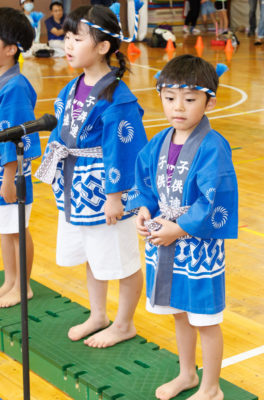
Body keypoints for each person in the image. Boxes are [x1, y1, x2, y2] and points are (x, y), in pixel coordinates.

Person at [35, 5, 147, 348]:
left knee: (121, 259)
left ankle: (124, 323)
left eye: (77, 38)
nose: (68, 44)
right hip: (77, 185)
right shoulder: (72, 87)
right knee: (92, 253)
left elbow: (125, 150)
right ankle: (98, 315)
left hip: (106, 191)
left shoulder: (118, 98)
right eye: (67, 37)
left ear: (102, 46)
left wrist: (115, 196)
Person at [126, 55, 238, 400]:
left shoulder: (212, 145)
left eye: (189, 99)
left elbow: (214, 199)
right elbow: (144, 181)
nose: (178, 107)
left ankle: (211, 387)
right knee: (179, 313)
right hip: (165, 241)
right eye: (170, 97)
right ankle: (187, 373)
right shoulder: (159, 141)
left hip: (197, 245)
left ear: (209, 102)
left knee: (205, 319)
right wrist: (143, 208)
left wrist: (180, 228)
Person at [0, 8, 41, 308]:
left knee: (16, 229)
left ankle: (23, 286)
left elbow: (14, 136)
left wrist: (9, 178)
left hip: (11, 173)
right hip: (2, 172)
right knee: (5, 229)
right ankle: (10, 281)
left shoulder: (15, 87)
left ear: (11, 49)